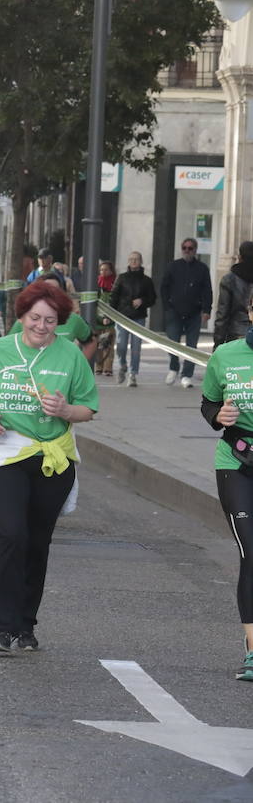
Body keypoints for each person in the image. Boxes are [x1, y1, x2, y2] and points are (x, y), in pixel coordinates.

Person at [0, 280, 98, 653]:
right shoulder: (1, 350)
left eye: (50, 321)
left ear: (60, 322)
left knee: (37, 543)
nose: (41, 326)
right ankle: (3, 627)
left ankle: (26, 625)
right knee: (14, 534)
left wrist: (66, 411)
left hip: (53, 458)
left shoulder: (70, 356)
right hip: (7, 454)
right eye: (35, 318)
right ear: (21, 316)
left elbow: (89, 407)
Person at [198, 288, 253, 681]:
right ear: (251, 310)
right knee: (252, 552)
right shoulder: (226, 355)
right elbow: (208, 404)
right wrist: (221, 415)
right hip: (236, 462)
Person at [160, 237, 212, 388]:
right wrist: (167, 306)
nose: (187, 251)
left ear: (195, 250)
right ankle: (173, 367)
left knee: (191, 346)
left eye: (190, 248)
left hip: (194, 312)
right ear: (181, 249)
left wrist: (206, 310)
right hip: (174, 311)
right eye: (185, 248)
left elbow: (207, 290)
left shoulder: (202, 268)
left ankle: (187, 375)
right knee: (172, 342)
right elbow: (164, 287)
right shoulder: (173, 266)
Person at [110, 251, 157, 386]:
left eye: (136, 259)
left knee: (136, 348)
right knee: (121, 345)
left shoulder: (147, 280)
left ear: (141, 261)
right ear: (128, 262)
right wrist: (110, 315)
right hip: (122, 316)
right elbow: (114, 296)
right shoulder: (121, 278)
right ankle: (122, 365)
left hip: (138, 317)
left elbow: (152, 298)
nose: (134, 261)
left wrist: (142, 301)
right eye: (131, 259)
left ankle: (133, 374)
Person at [214, 241, 253, 346]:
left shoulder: (229, 280)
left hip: (236, 335)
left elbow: (222, 315)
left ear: (240, 257)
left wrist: (218, 343)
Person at [93, 260, 117, 377]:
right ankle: (98, 366)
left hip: (110, 320)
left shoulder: (115, 284)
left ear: (111, 270)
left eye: (106, 269)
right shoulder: (96, 284)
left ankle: (108, 368)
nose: (103, 272)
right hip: (97, 319)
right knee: (98, 345)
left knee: (108, 344)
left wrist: (110, 318)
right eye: (101, 270)